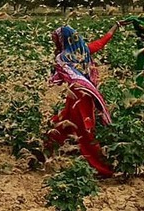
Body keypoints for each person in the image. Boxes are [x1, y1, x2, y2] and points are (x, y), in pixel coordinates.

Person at [46, 21, 128, 177]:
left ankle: (103, 167)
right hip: (84, 94)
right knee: (64, 121)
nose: (55, 42)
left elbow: (57, 80)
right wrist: (115, 26)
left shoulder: (61, 58)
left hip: (79, 95)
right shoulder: (84, 52)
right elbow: (101, 42)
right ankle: (45, 150)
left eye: (56, 39)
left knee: (84, 131)